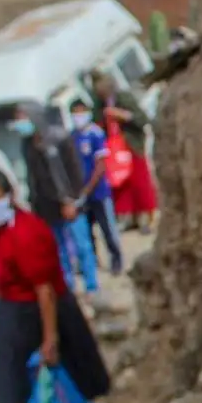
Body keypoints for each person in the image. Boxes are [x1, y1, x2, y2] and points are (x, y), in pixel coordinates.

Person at [0, 170, 109, 403]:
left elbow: (45, 290)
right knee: (21, 389)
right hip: (14, 312)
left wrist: (49, 338)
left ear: (9, 196)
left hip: (42, 312)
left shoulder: (27, 232)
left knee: (62, 385)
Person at [11, 104, 97, 297]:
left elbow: (74, 172)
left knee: (81, 245)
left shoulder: (59, 138)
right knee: (59, 250)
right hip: (45, 205)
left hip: (69, 202)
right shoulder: (27, 144)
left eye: (23, 117)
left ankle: (91, 286)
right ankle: (68, 287)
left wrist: (71, 200)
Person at [94, 73, 157, 233]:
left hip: (131, 146)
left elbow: (142, 119)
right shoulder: (99, 105)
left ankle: (147, 218)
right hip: (114, 151)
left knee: (140, 184)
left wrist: (122, 115)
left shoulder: (124, 98)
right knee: (122, 186)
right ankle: (129, 218)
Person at [69, 99, 122, 275]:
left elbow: (101, 164)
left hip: (99, 192)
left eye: (81, 112)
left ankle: (116, 260)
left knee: (108, 229)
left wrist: (89, 188)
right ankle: (93, 262)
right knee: (87, 231)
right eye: (75, 112)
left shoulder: (96, 134)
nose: (78, 116)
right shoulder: (72, 137)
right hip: (80, 194)